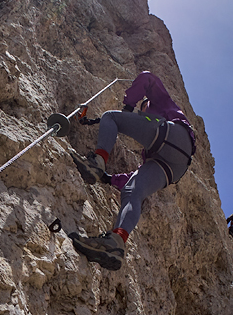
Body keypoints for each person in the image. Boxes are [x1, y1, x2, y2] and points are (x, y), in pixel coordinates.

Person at [70, 71, 196, 270]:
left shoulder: (162, 105)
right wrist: (108, 179)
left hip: (173, 136)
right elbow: (135, 176)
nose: (144, 111)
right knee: (132, 191)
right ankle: (116, 242)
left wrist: (129, 106)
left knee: (111, 117)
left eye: (144, 107)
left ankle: (98, 160)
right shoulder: (150, 150)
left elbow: (147, 77)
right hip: (173, 166)